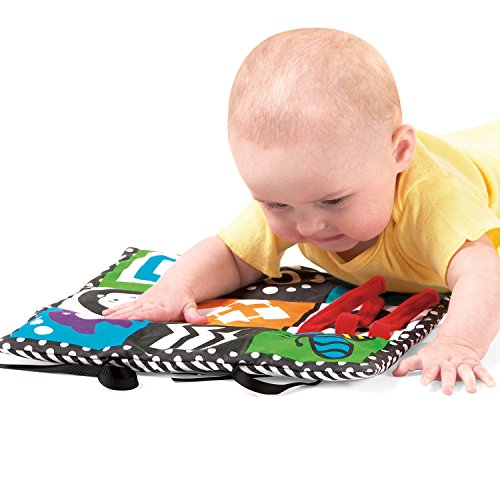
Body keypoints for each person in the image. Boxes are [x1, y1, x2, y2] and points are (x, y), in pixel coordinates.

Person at [102, 28, 500, 395]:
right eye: (277, 205)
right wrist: (175, 289)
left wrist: (458, 342)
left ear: (399, 154)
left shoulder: (435, 200)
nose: (308, 225)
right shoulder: (301, 187)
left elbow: (482, 272)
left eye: (334, 201)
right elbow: (233, 256)